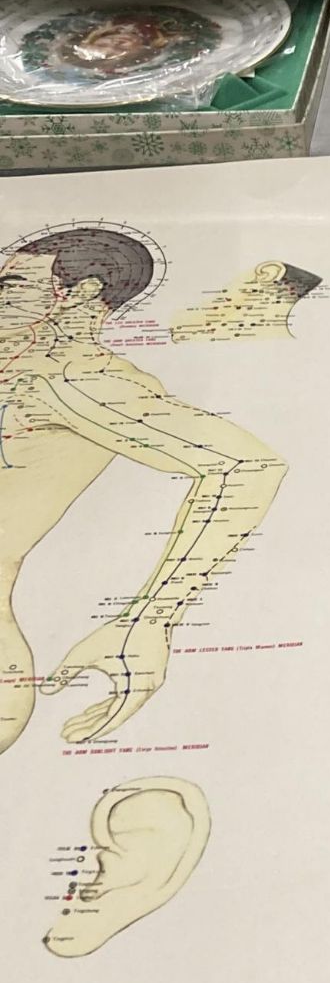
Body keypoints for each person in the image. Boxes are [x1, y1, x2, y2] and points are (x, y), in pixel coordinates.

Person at [0, 226, 286, 755]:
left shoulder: (75, 376)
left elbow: (246, 464)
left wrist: (148, 619)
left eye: (10, 287)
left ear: (81, 292)